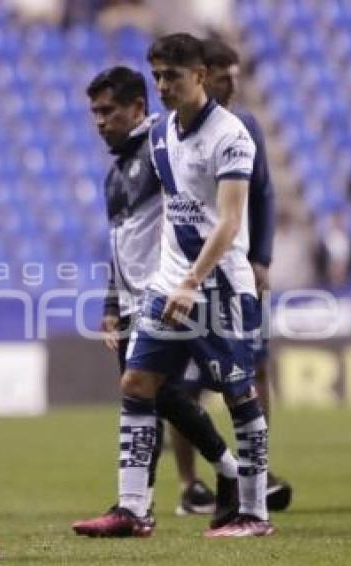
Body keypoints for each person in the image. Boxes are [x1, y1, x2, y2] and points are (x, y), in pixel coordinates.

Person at [71, 66, 242, 538]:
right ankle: (223, 475)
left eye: (109, 111)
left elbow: (197, 210)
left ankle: (136, 506)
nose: (100, 121)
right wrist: (110, 303)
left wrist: (190, 280)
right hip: (130, 303)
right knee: (154, 395)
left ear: (138, 108)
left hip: (166, 294)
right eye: (95, 113)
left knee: (146, 390)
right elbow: (119, 243)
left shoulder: (161, 151)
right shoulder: (116, 172)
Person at [126, 32, 274, 537]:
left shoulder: (231, 136)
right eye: (158, 76)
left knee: (239, 394)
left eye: (173, 76)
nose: (163, 86)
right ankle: (132, 509)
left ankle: (254, 513)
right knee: (138, 383)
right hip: (169, 283)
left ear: (201, 77)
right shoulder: (159, 132)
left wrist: (192, 282)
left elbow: (230, 223)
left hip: (219, 288)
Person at [166, 37, 293, 515]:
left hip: (238, 271)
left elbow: (263, 195)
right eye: (225, 77)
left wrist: (261, 257)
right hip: (188, 272)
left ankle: (254, 469)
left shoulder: (247, 126)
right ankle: (189, 483)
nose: (233, 86)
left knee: (254, 368)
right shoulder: (171, 130)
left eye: (237, 77)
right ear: (203, 74)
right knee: (185, 379)